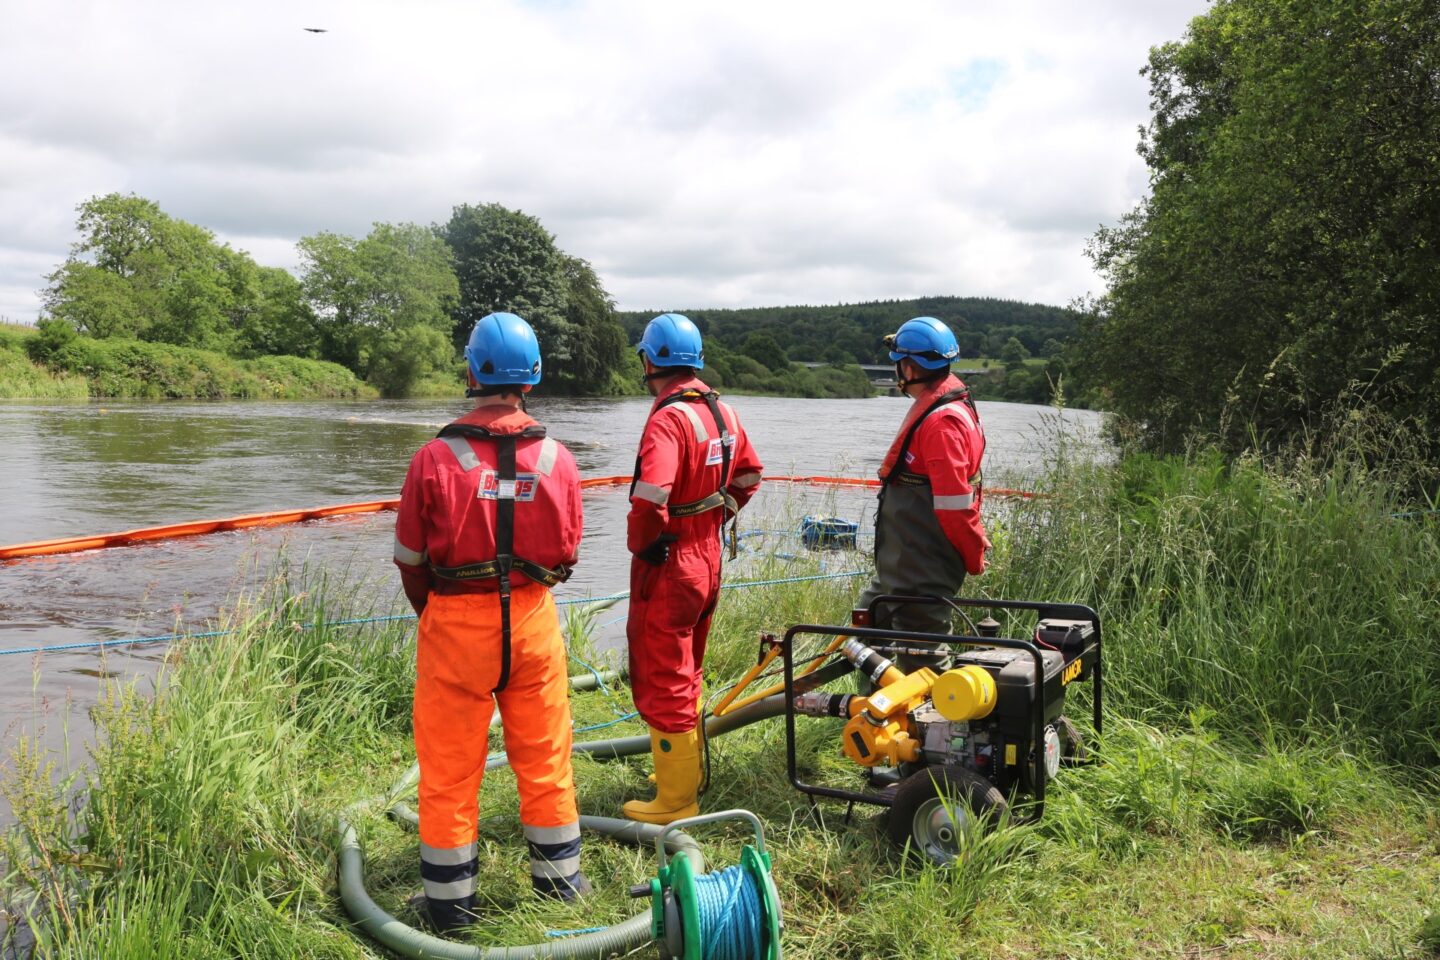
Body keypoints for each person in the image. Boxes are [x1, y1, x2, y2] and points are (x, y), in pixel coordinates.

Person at [392, 312, 590, 933]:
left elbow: (410, 560)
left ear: (472, 371)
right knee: (546, 753)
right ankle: (559, 888)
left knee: (449, 765)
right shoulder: (559, 457)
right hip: (532, 619)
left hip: (455, 621)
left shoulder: (433, 456)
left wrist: (439, 612)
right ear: (532, 377)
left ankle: (450, 908)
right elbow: (568, 553)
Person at [623, 313, 763, 824]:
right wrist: (718, 513)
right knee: (689, 667)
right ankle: (686, 774)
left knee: (665, 672)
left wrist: (644, 543)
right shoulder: (721, 409)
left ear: (649, 360)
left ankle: (675, 801)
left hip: (673, 557)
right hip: (708, 552)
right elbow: (749, 473)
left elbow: (651, 496)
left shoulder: (668, 418)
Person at [857, 316, 990, 673]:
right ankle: (873, 719)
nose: (897, 369)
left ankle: (932, 726)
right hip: (901, 568)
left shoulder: (942, 422)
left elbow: (954, 506)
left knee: (923, 659)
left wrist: (974, 551)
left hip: (920, 569)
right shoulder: (942, 403)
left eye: (898, 361)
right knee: (863, 635)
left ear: (911, 366)